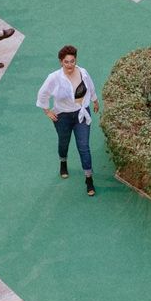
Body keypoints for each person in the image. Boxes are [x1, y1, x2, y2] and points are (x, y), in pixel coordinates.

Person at [37, 44, 100, 196]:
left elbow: (90, 86)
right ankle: (63, 162)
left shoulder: (83, 72)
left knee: (83, 146)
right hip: (63, 117)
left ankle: (89, 178)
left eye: (72, 61)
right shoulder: (54, 78)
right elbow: (42, 94)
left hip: (82, 114)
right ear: (61, 62)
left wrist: (95, 100)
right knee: (64, 142)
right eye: (66, 62)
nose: (70, 64)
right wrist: (47, 111)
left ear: (75, 60)